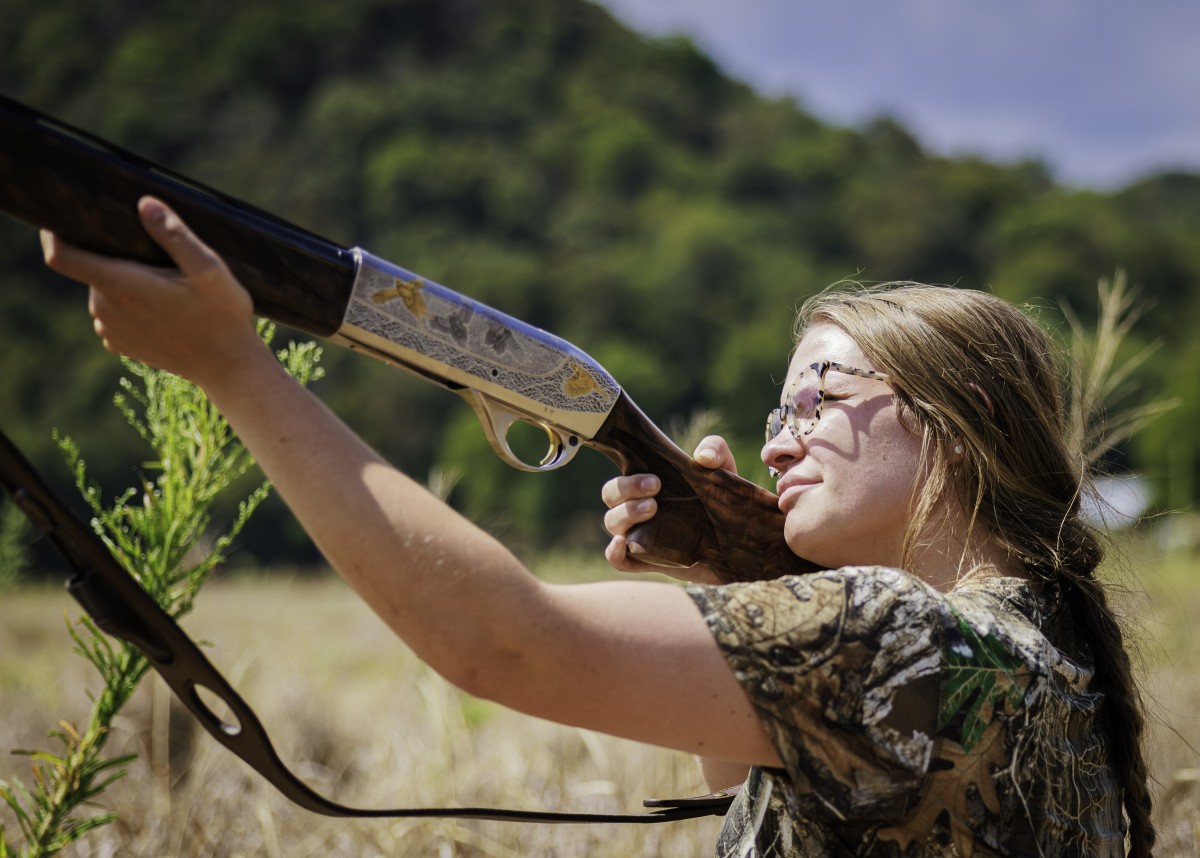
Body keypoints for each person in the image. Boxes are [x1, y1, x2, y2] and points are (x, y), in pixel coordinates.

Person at [40, 197, 1153, 857]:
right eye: (777, 412)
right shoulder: (1050, 651)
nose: (775, 445)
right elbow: (761, 806)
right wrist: (730, 583)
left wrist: (235, 367)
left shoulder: (892, 635)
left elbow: (502, 643)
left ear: (958, 424)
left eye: (819, 399)